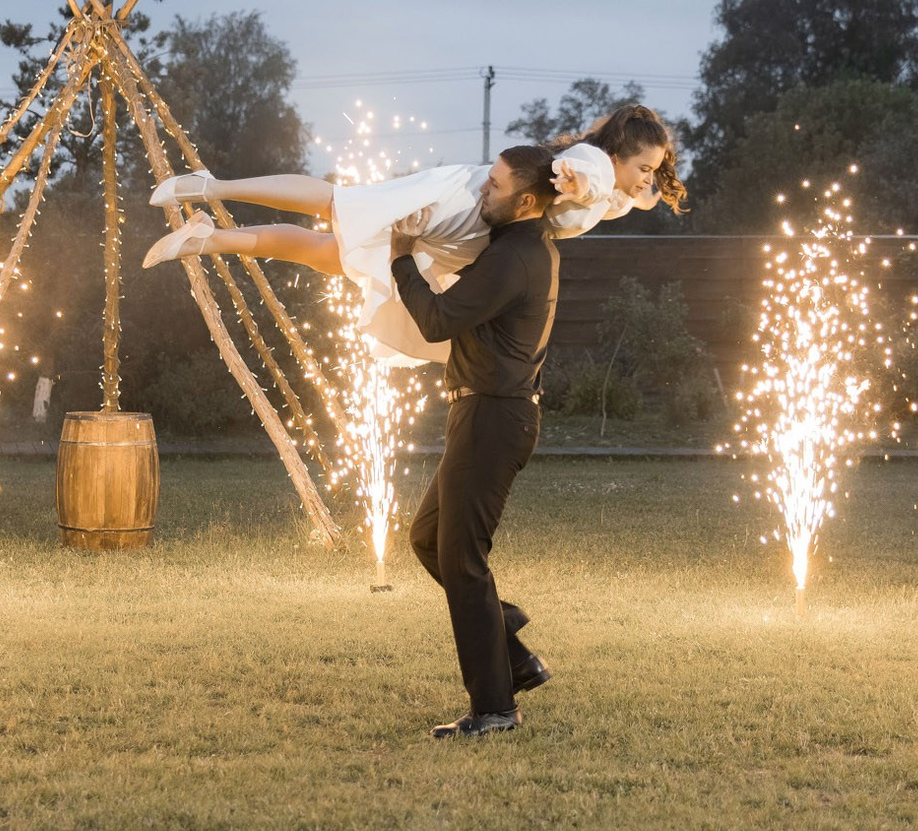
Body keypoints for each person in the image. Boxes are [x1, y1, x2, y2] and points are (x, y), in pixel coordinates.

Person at [140, 103, 683, 365]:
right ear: (620, 154)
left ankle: (207, 238)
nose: (646, 178)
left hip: (462, 240)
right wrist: (577, 179)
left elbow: (622, 197)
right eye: (645, 167)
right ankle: (209, 186)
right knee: (338, 204)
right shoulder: (594, 165)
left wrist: (651, 189)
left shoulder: (619, 190)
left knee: (333, 257)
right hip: (460, 204)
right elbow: (585, 176)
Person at [385, 144, 561, 739]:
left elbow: (436, 321)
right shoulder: (516, 250)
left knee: (462, 559)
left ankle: (496, 709)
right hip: (484, 414)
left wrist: (402, 258)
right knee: (430, 538)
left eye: (495, 186)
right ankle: (510, 650)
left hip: (494, 416)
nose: (484, 192)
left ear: (527, 200)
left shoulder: (514, 258)